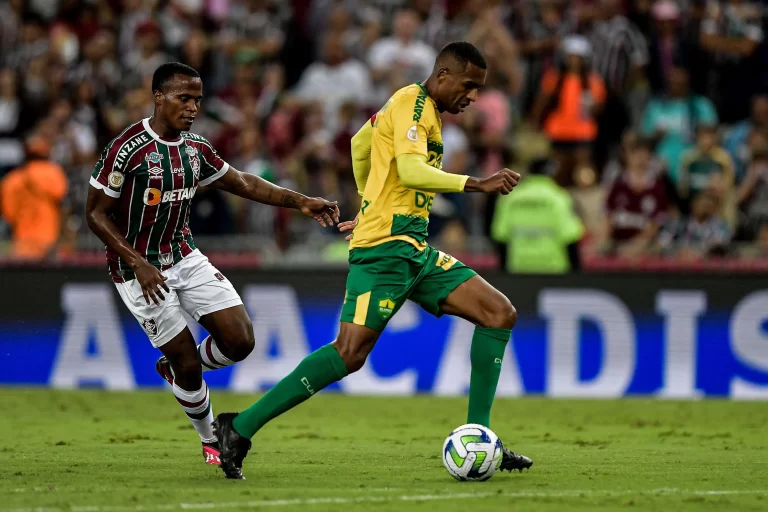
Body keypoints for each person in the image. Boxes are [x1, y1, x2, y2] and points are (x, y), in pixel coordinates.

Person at [213, 42, 533, 480]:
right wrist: (477, 183)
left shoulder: (420, 112)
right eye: (469, 85)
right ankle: (239, 427)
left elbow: (360, 143)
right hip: (385, 250)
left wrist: (369, 202)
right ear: (443, 75)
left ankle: (478, 435)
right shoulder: (411, 104)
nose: (474, 96)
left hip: (413, 248)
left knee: (498, 313)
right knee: (349, 353)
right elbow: (410, 171)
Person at [85, 62, 339, 467]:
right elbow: (95, 214)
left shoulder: (195, 149)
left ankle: (174, 369)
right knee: (188, 361)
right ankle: (211, 439)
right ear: (158, 97)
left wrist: (300, 201)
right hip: (137, 271)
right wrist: (138, 262)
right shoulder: (126, 149)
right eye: (183, 98)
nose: (192, 107)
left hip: (185, 257)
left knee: (241, 341)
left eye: (197, 100)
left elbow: (244, 182)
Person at [491, 157, 584, 274]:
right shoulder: (558, 198)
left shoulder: (510, 198)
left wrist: (504, 271)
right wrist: (577, 273)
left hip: (519, 268)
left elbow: (500, 235)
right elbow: (570, 236)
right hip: (553, 268)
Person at [0, 136, 68, 259]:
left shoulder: (11, 180)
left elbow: (8, 213)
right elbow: (62, 200)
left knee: (25, 276)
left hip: (22, 241)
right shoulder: (54, 173)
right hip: (49, 239)